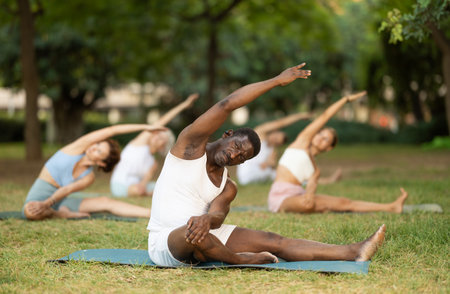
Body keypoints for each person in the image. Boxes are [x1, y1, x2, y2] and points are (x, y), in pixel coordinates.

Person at [147, 63, 386, 267]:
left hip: (205, 231)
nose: (234, 156)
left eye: (242, 157)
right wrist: (276, 81)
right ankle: (242, 260)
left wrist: (207, 221)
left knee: (274, 240)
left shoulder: (227, 186)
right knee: (197, 238)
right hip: (167, 240)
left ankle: (354, 250)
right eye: (236, 147)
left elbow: (218, 215)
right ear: (228, 134)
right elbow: (226, 105)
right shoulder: (189, 148)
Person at [268, 91, 408, 214]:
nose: (320, 138)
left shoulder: (315, 170)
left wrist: (310, 195)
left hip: (300, 195)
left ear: (329, 148)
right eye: (320, 134)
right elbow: (324, 117)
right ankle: (317, 207)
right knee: (307, 203)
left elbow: (311, 188)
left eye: (326, 139)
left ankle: (391, 207)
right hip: (281, 197)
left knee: (344, 202)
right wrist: (345, 100)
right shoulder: (301, 143)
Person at [23, 124, 166, 221]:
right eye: (96, 144)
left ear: (102, 163)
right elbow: (113, 130)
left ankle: (154, 214)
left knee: (106, 202)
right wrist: (147, 127)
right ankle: (59, 214)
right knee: (30, 212)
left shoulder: (89, 177)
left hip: (60, 199)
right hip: (40, 196)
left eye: (99, 151)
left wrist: (48, 204)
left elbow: (67, 189)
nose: (93, 148)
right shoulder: (76, 148)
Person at [110, 93, 199, 197]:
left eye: (162, 139)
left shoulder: (153, 163)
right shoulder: (139, 144)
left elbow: (143, 184)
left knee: (165, 186)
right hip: (120, 185)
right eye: (158, 134)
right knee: (144, 190)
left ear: (163, 147)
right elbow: (161, 122)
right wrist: (184, 105)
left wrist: (143, 185)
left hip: (138, 186)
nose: (157, 137)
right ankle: (150, 194)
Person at [236, 113, 311, 185]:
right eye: (276, 137)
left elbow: (270, 165)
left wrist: (268, 163)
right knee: (280, 174)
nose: (274, 140)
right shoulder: (259, 135)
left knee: (279, 173)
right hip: (246, 174)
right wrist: (299, 116)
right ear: (275, 132)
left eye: (277, 141)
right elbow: (280, 123)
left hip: (256, 176)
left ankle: (304, 181)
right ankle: (303, 181)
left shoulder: (272, 151)